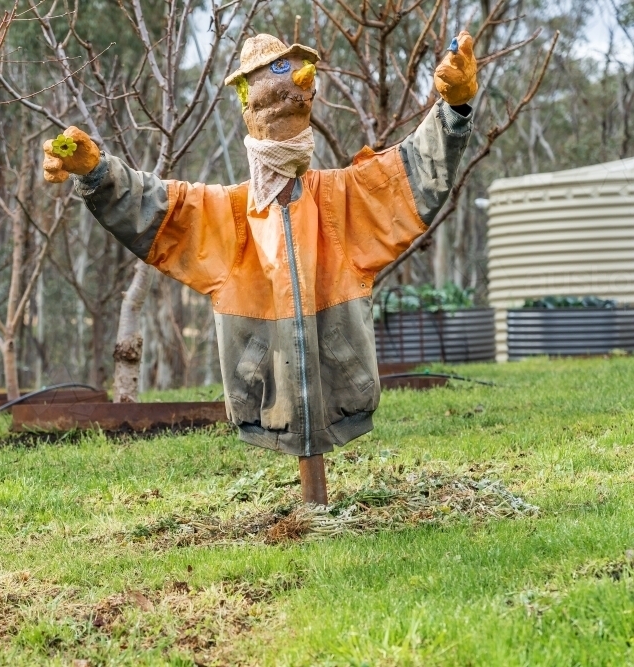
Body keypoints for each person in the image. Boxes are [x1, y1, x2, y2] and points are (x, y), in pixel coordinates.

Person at [42, 31, 478, 498]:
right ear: (246, 99)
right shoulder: (227, 217)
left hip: (344, 391)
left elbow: (410, 174)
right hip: (265, 401)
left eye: (294, 71)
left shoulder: (341, 202)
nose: (297, 79)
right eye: (277, 72)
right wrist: (98, 173)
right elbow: (157, 208)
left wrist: (452, 112)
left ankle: (317, 508)